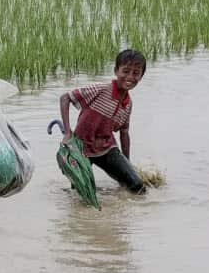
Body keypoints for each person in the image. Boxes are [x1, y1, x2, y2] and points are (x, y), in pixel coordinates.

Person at [59, 50, 149, 191]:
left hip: (106, 149)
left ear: (141, 76)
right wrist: (67, 133)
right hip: (80, 148)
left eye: (136, 73)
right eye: (125, 71)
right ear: (116, 71)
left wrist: (127, 163)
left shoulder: (128, 104)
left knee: (137, 186)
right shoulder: (100, 89)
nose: (130, 77)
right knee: (84, 192)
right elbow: (65, 98)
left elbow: (124, 133)